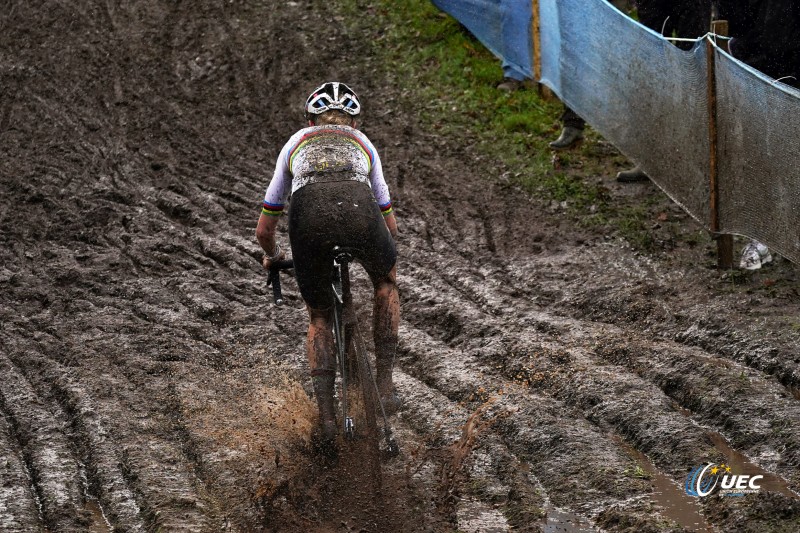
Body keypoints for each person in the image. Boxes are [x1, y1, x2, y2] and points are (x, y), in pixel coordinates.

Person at [256, 82, 400, 450]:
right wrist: (383, 253)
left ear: (310, 119)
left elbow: (265, 226)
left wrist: (273, 257)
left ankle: (326, 420)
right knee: (386, 282)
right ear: (353, 120)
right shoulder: (363, 143)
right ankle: (384, 385)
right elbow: (390, 221)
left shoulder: (296, 142)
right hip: (360, 211)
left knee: (319, 315)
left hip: (310, 218)